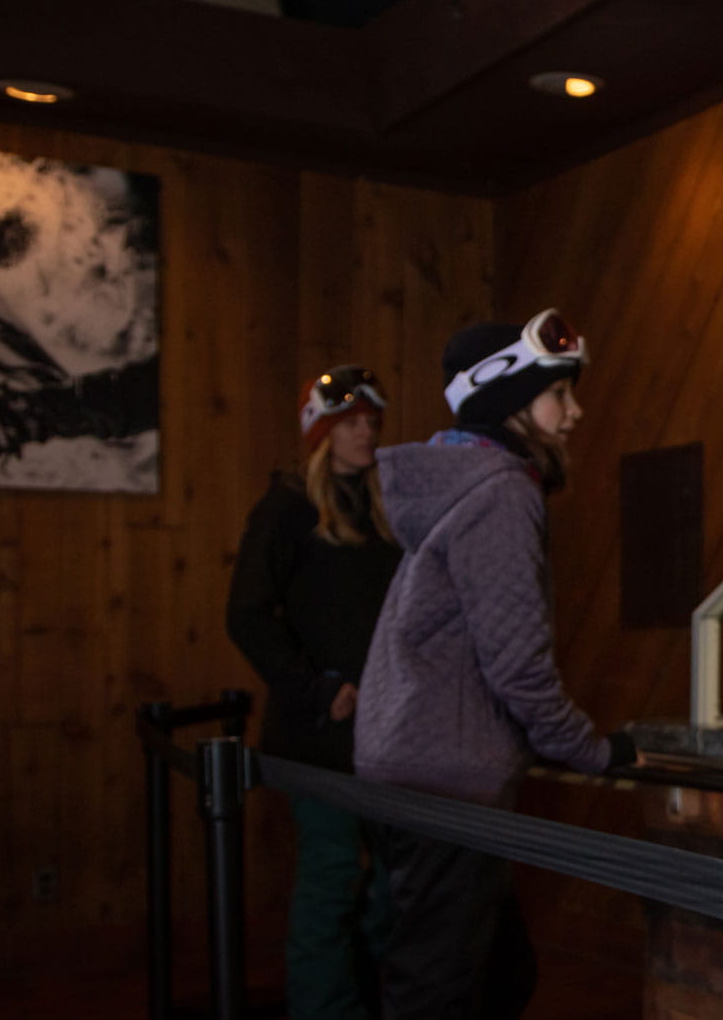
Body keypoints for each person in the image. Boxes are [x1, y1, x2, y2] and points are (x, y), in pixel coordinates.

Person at [354, 310, 637, 1020]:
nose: (574, 412)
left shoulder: (459, 484)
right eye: (558, 395)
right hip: (449, 782)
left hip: (407, 762)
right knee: (438, 994)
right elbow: (517, 666)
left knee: (498, 971)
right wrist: (594, 752)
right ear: (506, 400)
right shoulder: (503, 491)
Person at [227, 367, 402, 1020]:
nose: (365, 433)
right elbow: (246, 613)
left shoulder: (389, 510)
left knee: (393, 888)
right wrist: (313, 688)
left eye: (371, 423)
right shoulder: (286, 510)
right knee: (331, 881)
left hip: (390, 731)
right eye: (351, 422)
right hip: (318, 735)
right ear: (324, 433)